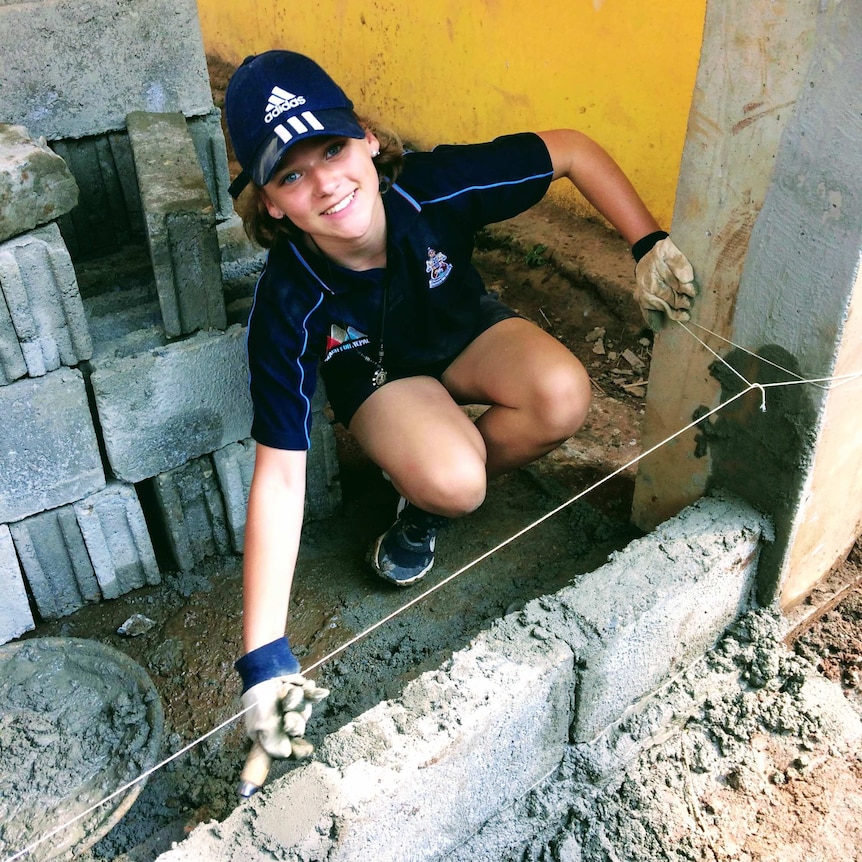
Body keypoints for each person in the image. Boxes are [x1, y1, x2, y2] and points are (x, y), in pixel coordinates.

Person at [225, 50, 696, 763]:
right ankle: (426, 497)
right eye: (291, 173)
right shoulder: (287, 302)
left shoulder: (434, 188)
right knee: (457, 481)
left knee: (562, 394)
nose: (325, 182)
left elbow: (570, 150)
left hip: (461, 331)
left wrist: (648, 243)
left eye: (332, 146)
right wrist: (262, 659)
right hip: (381, 377)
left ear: (369, 139)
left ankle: (429, 473)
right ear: (270, 203)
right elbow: (281, 475)